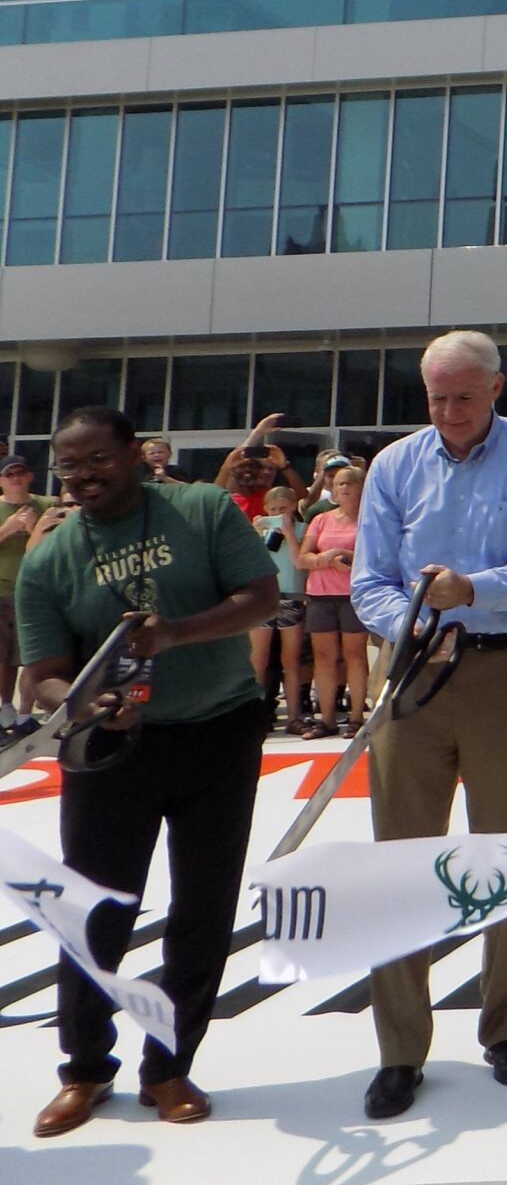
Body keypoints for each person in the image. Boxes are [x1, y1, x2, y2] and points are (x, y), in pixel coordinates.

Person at [18, 407, 278, 1137]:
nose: (82, 475)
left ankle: (167, 1066)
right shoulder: (50, 558)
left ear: (136, 454)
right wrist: (83, 701)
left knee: (202, 909)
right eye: (68, 466)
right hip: (110, 751)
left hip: (217, 733)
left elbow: (261, 598)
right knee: (94, 911)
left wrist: (180, 634)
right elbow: (39, 676)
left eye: (97, 458)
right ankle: (85, 1069)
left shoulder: (200, 509)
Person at [350, 330, 507, 1121]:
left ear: (497, 389)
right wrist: (409, 619)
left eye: (464, 397)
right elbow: (368, 581)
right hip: (412, 673)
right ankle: (400, 1050)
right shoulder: (392, 466)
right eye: (437, 397)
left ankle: (506, 1026)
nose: (450, 412)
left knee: (506, 855)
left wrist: (468, 592)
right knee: (403, 864)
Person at [297, 462, 369, 724]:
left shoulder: (370, 518)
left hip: (353, 595)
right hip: (321, 594)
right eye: (340, 483)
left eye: (351, 482)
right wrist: (326, 559)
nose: (345, 487)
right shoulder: (321, 519)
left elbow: (378, 555)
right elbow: (302, 558)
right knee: (324, 657)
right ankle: (326, 718)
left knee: (355, 655)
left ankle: (356, 716)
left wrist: (348, 556)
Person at [254, 484, 313, 735]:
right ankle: (254, 715)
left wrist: (289, 534)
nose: (279, 513)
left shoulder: (303, 531)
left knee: (291, 660)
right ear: (266, 509)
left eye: (284, 509)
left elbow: (299, 564)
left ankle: (294, 716)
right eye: (274, 509)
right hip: (264, 599)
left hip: (292, 598)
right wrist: (255, 533)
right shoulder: (258, 531)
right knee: (258, 660)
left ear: (294, 508)